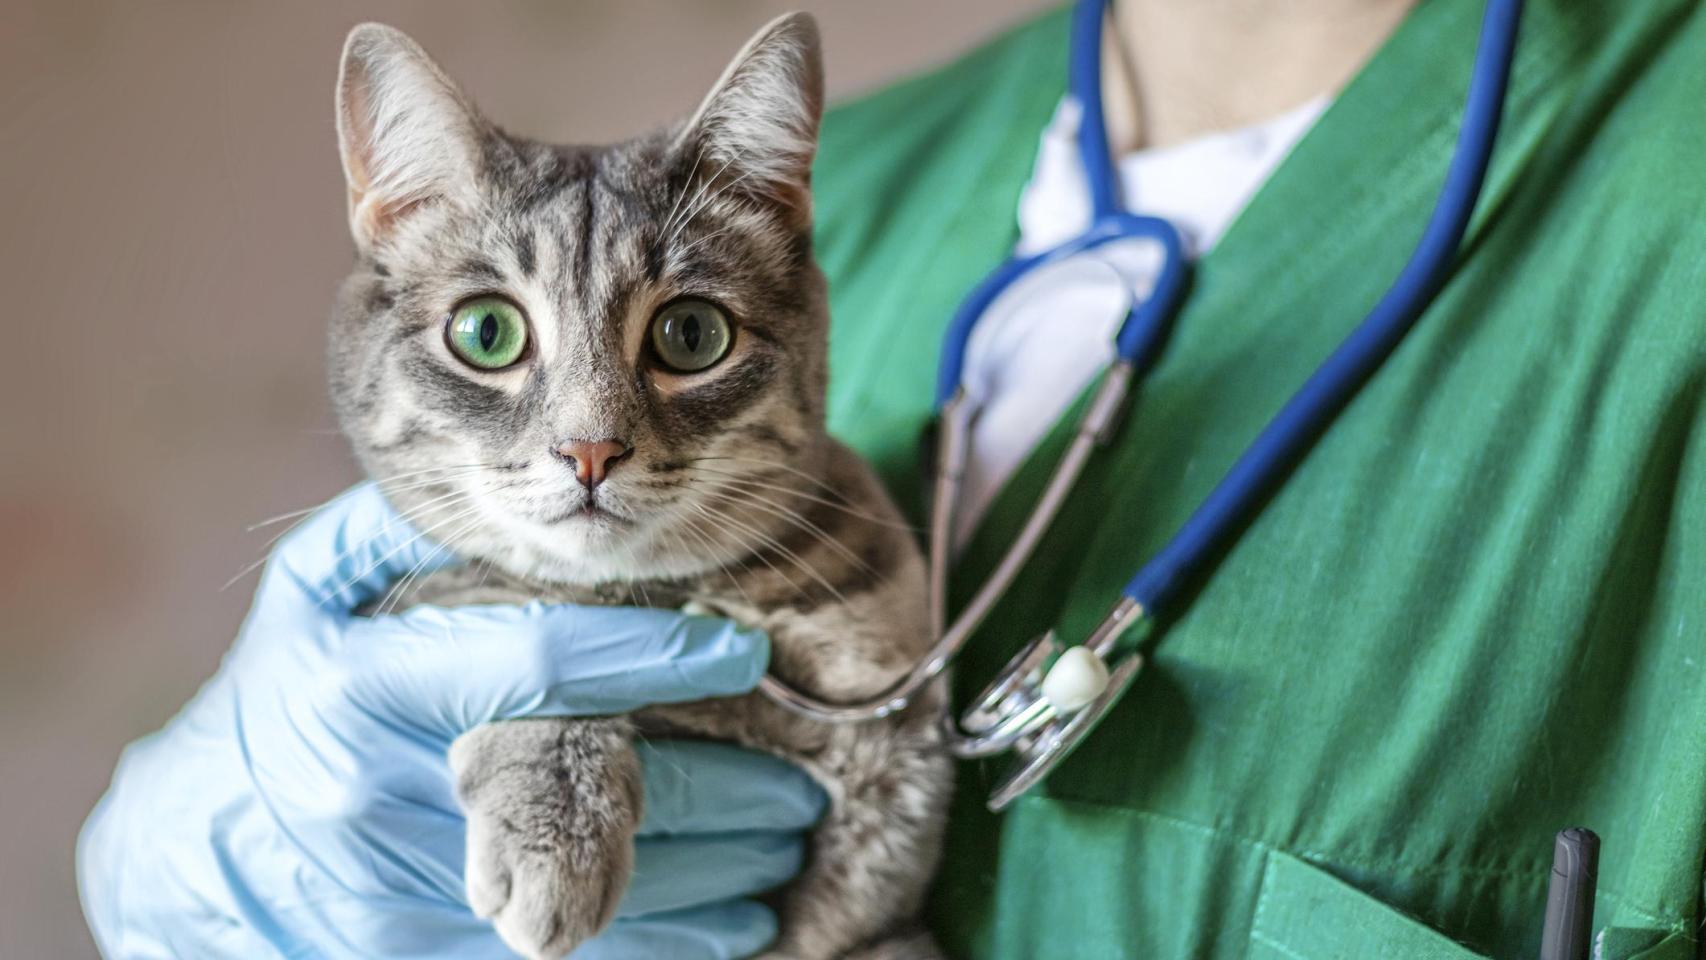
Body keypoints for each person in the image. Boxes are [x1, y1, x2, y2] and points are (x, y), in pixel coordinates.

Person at [81, 0, 1706, 957]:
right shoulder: (866, 165)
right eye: (497, 335)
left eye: (681, 337)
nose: (587, 438)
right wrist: (182, 887)